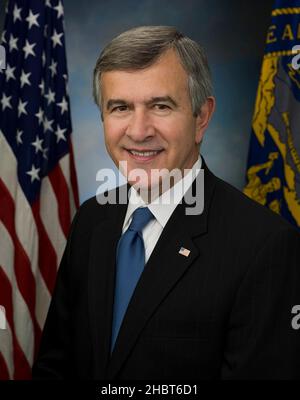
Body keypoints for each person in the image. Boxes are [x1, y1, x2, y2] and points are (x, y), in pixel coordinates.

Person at [32, 26, 300, 380]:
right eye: (120, 107)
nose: (139, 130)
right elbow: (57, 365)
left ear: (201, 117)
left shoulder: (265, 246)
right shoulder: (91, 221)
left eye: (160, 106)